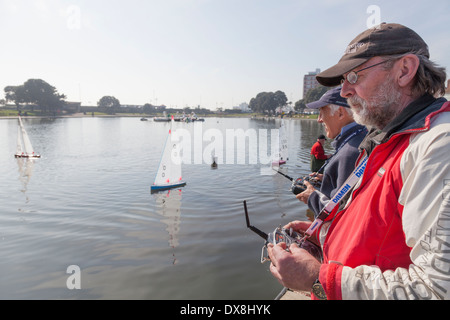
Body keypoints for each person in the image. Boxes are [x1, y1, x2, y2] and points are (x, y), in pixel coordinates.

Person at [268, 23, 450, 300]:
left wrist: (319, 280)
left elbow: (437, 290)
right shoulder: (391, 138)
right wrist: (328, 233)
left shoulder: (438, 145)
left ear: (404, 70)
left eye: (354, 76)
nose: (344, 91)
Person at [297, 87, 367, 217]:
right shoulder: (361, 138)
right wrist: (328, 178)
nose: (319, 119)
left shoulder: (351, 152)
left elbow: (341, 213)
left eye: (321, 112)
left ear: (340, 113)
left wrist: (311, 197)